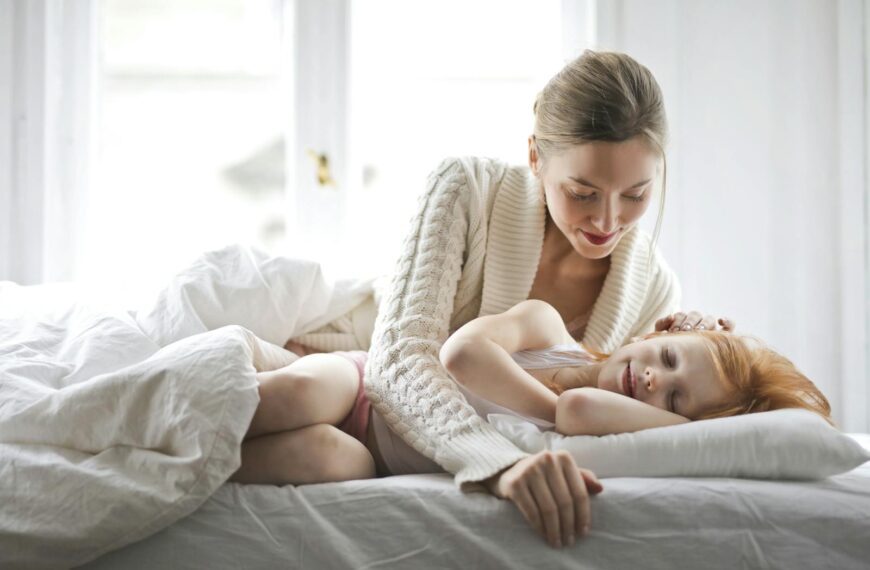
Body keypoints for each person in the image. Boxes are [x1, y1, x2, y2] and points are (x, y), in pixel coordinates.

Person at [286, 49, 728, 547]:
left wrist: (705, 354)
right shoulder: (467, 188)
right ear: (536, 157)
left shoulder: (653, 287)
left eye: (635, 194)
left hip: (367, 451)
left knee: (323, 457)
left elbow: (615, 412)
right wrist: (494, 460)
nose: (608, 222)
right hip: (347, 371)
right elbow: (400, 358)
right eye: (582, 193)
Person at [235, 300, 831, 550]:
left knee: (322, 458)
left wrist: (664, 414)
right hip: (372, 386)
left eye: (674, 402)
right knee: (304, 393)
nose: (654, 381)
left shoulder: (601, 421)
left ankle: (194, 463)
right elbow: (461, 356)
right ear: (660, 332)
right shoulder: (551, 333)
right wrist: (554, 406)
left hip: (373, 456)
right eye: (667, 359)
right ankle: (190, 419)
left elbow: (579, 412)